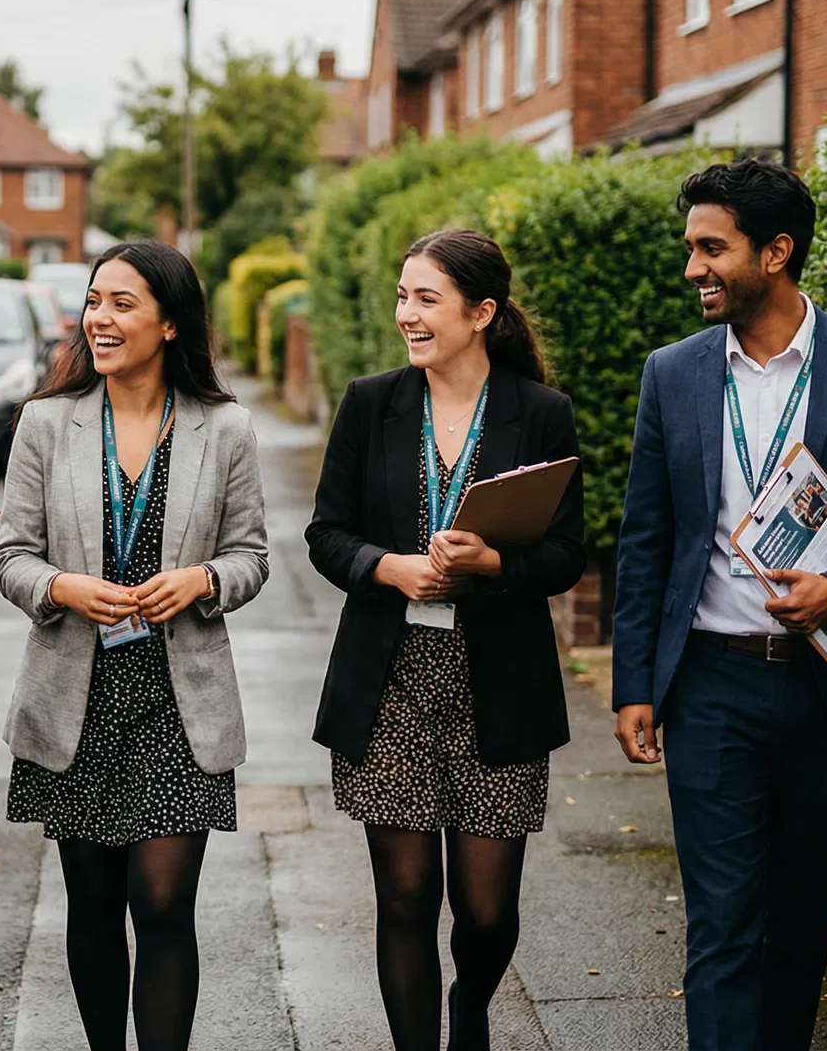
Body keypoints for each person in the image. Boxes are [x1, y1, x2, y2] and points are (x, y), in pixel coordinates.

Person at [611, 158, 827, 1051]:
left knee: (800, 927)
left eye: (711, 248)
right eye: (692, 248)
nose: (693, 268)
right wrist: (633, 684)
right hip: (711, 686)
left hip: (825, 689)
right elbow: (646, 540)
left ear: (776, 250)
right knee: (723, 926)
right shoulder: (673, 374)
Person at [306, 228, 584, 1051]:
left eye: (426, 298)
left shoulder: (542, 413)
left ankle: (471, 1007)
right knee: (404, 896)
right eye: (402, 296)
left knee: (487, 910)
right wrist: (389, 568)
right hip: (387, 679)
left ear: (481, 312)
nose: (407, 315)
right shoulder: (371, 402)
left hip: (498, 678)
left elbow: (568, 554)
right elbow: (326, 533)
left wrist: (494, 561)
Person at [0, 241, 269, 1051]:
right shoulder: (47, 422)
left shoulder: (225, 428)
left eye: (122, 303)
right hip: (73, 699)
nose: (100, 319)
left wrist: (204, 582)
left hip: (180, 703)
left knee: (162, 905)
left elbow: (252, 557)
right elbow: (10, 557)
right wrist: (61, 589)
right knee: (92, 907)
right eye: (94, 301)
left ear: (170, 323)